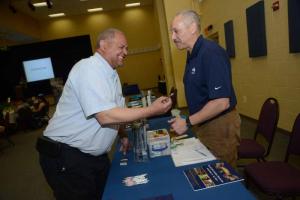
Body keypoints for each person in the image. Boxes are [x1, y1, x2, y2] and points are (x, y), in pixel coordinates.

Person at [37, 28, 172, 200]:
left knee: (108, 194)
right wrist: (152, 110)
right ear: (103, 45)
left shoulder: (111, 73)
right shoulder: (88, 69)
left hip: (92, 156)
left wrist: (122, 134)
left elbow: (117, 109)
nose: (126, 52)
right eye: (121, 47)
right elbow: (105, 116)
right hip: (67, 155)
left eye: (127, 48)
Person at [169, 10, 241, 167]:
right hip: (204, 123)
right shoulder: (193, 54)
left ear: (193, 27)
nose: (173, 37)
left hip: (220, 126)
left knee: (222, 174)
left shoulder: (211, 53)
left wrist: (187, 122)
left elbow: (221, 102)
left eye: (176, 31)